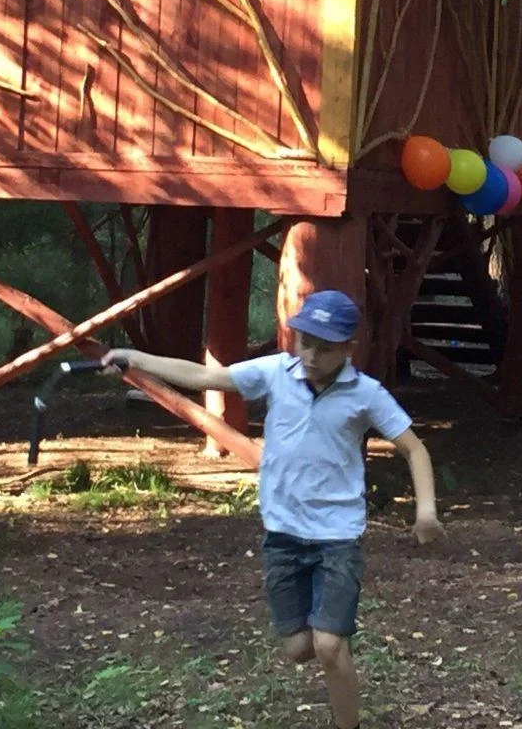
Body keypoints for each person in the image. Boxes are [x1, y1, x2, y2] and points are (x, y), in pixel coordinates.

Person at [101, 290, 444, 729]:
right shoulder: (276, 373)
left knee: (328, 646)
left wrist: (426, 512)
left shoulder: (365, 394)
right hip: (282, 535)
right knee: (298, 647)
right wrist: (136, 358)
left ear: (348, 349)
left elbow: (414, 449)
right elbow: (206, 377)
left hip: (338, 537)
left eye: (325, 347)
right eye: (306, 342)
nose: (312, 355)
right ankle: (330, 638)